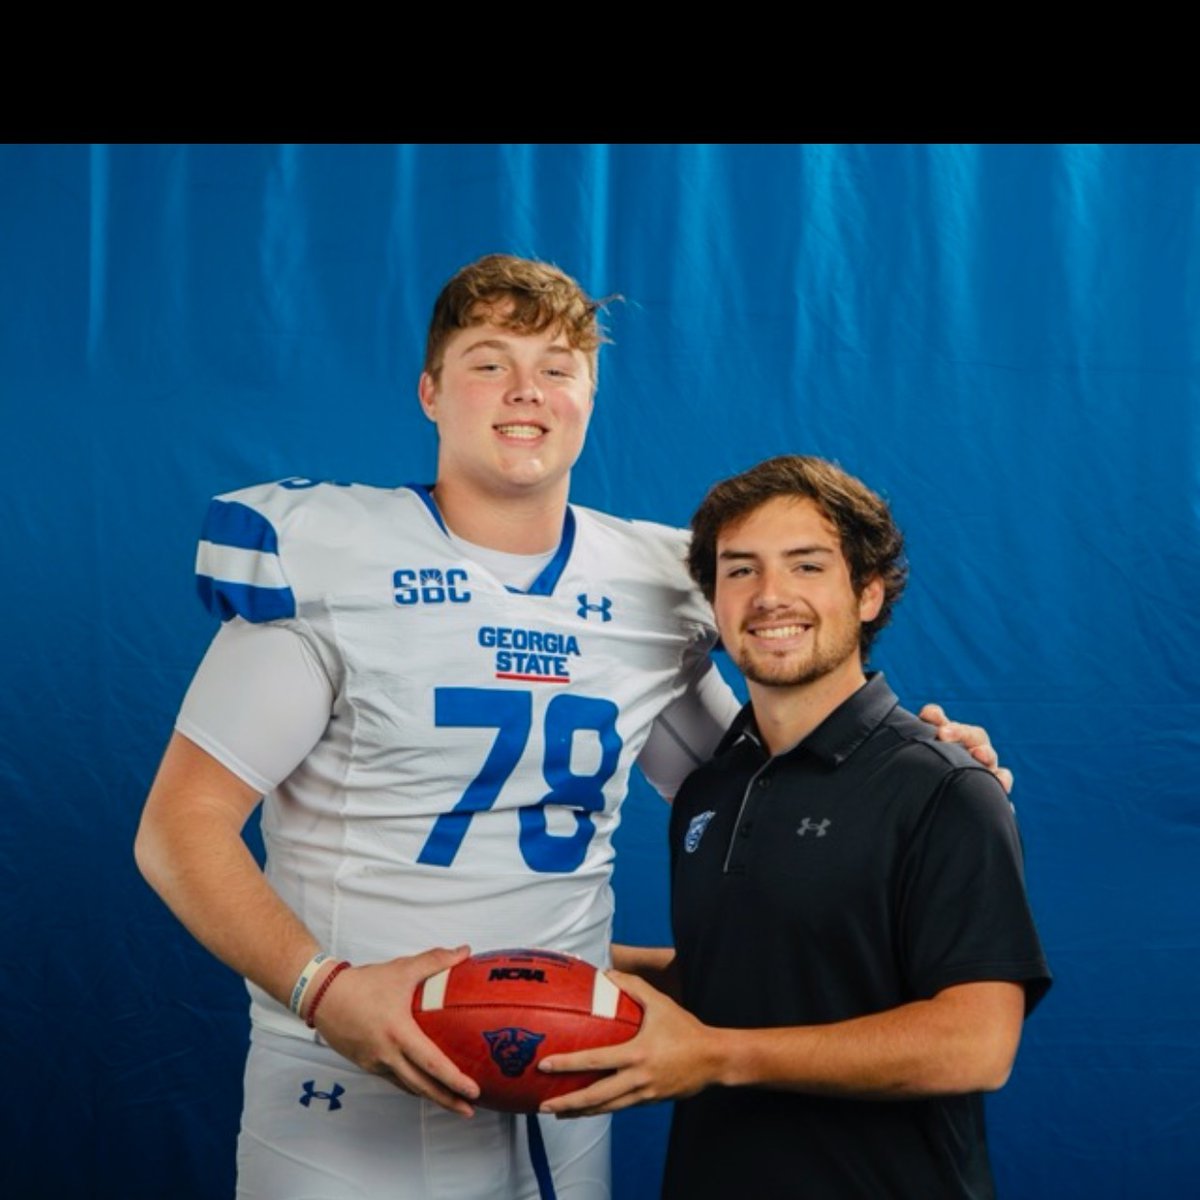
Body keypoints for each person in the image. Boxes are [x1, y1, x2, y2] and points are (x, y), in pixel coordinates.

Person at [135, 258, 1011, 1200]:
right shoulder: (328, 559)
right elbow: (180, 827)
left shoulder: (654, 584)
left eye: (556, 368)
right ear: (430, 392)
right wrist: (324, 988)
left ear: (589, 396)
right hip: (348, 1074)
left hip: (564, 1070)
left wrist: (919, 768)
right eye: (488, 363)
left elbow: (762, 784)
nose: (526, 391)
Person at [540, 455, 1051, 1199]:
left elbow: (976, 1043)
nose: (770, 595)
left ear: (868, 593)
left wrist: (715, 1056)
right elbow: (747, 974)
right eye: (740, 570)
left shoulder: (944, 787)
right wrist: (565, 957)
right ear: (713, 602)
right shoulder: (710, 787)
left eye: (806, 566)